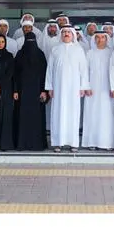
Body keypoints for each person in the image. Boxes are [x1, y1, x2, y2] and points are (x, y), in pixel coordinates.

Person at [45, 25, 89, 153]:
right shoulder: (55, 49)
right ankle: (57, 142)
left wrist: (83, 86)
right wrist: (49, 87)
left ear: (73, 34)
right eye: (64, 32)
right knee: (58, 113)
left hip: (74, 88)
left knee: (73, 114)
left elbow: (83, 70)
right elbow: (50, 70)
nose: (66, 34)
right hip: (58, 88)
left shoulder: (78, 49)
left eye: (68, 32)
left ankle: (73, 143)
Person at [14, 32, 48, 151]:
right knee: (22, 118)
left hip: (37, 93)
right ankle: (21, 144)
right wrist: (15, 90)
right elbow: (15, 74)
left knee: (36, 119)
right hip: (22, 92)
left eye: (32, 41)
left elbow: (45, 75)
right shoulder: (19, 54)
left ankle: (37, 144)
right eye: (28, 40)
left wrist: (44, 91)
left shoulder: (40, 55)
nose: (30, 44)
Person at [82, 31, 114, 151]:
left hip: (108, 89)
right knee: (92, 113)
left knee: (107, 115)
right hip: (92, 90)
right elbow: (84, 71)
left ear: (107, 39)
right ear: (94, 40)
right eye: (98, 38)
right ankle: (92, 142)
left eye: (103, 37)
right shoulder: (89, 53)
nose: (100, 40)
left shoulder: (112, 53)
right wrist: (86, 86)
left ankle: (107, 143)